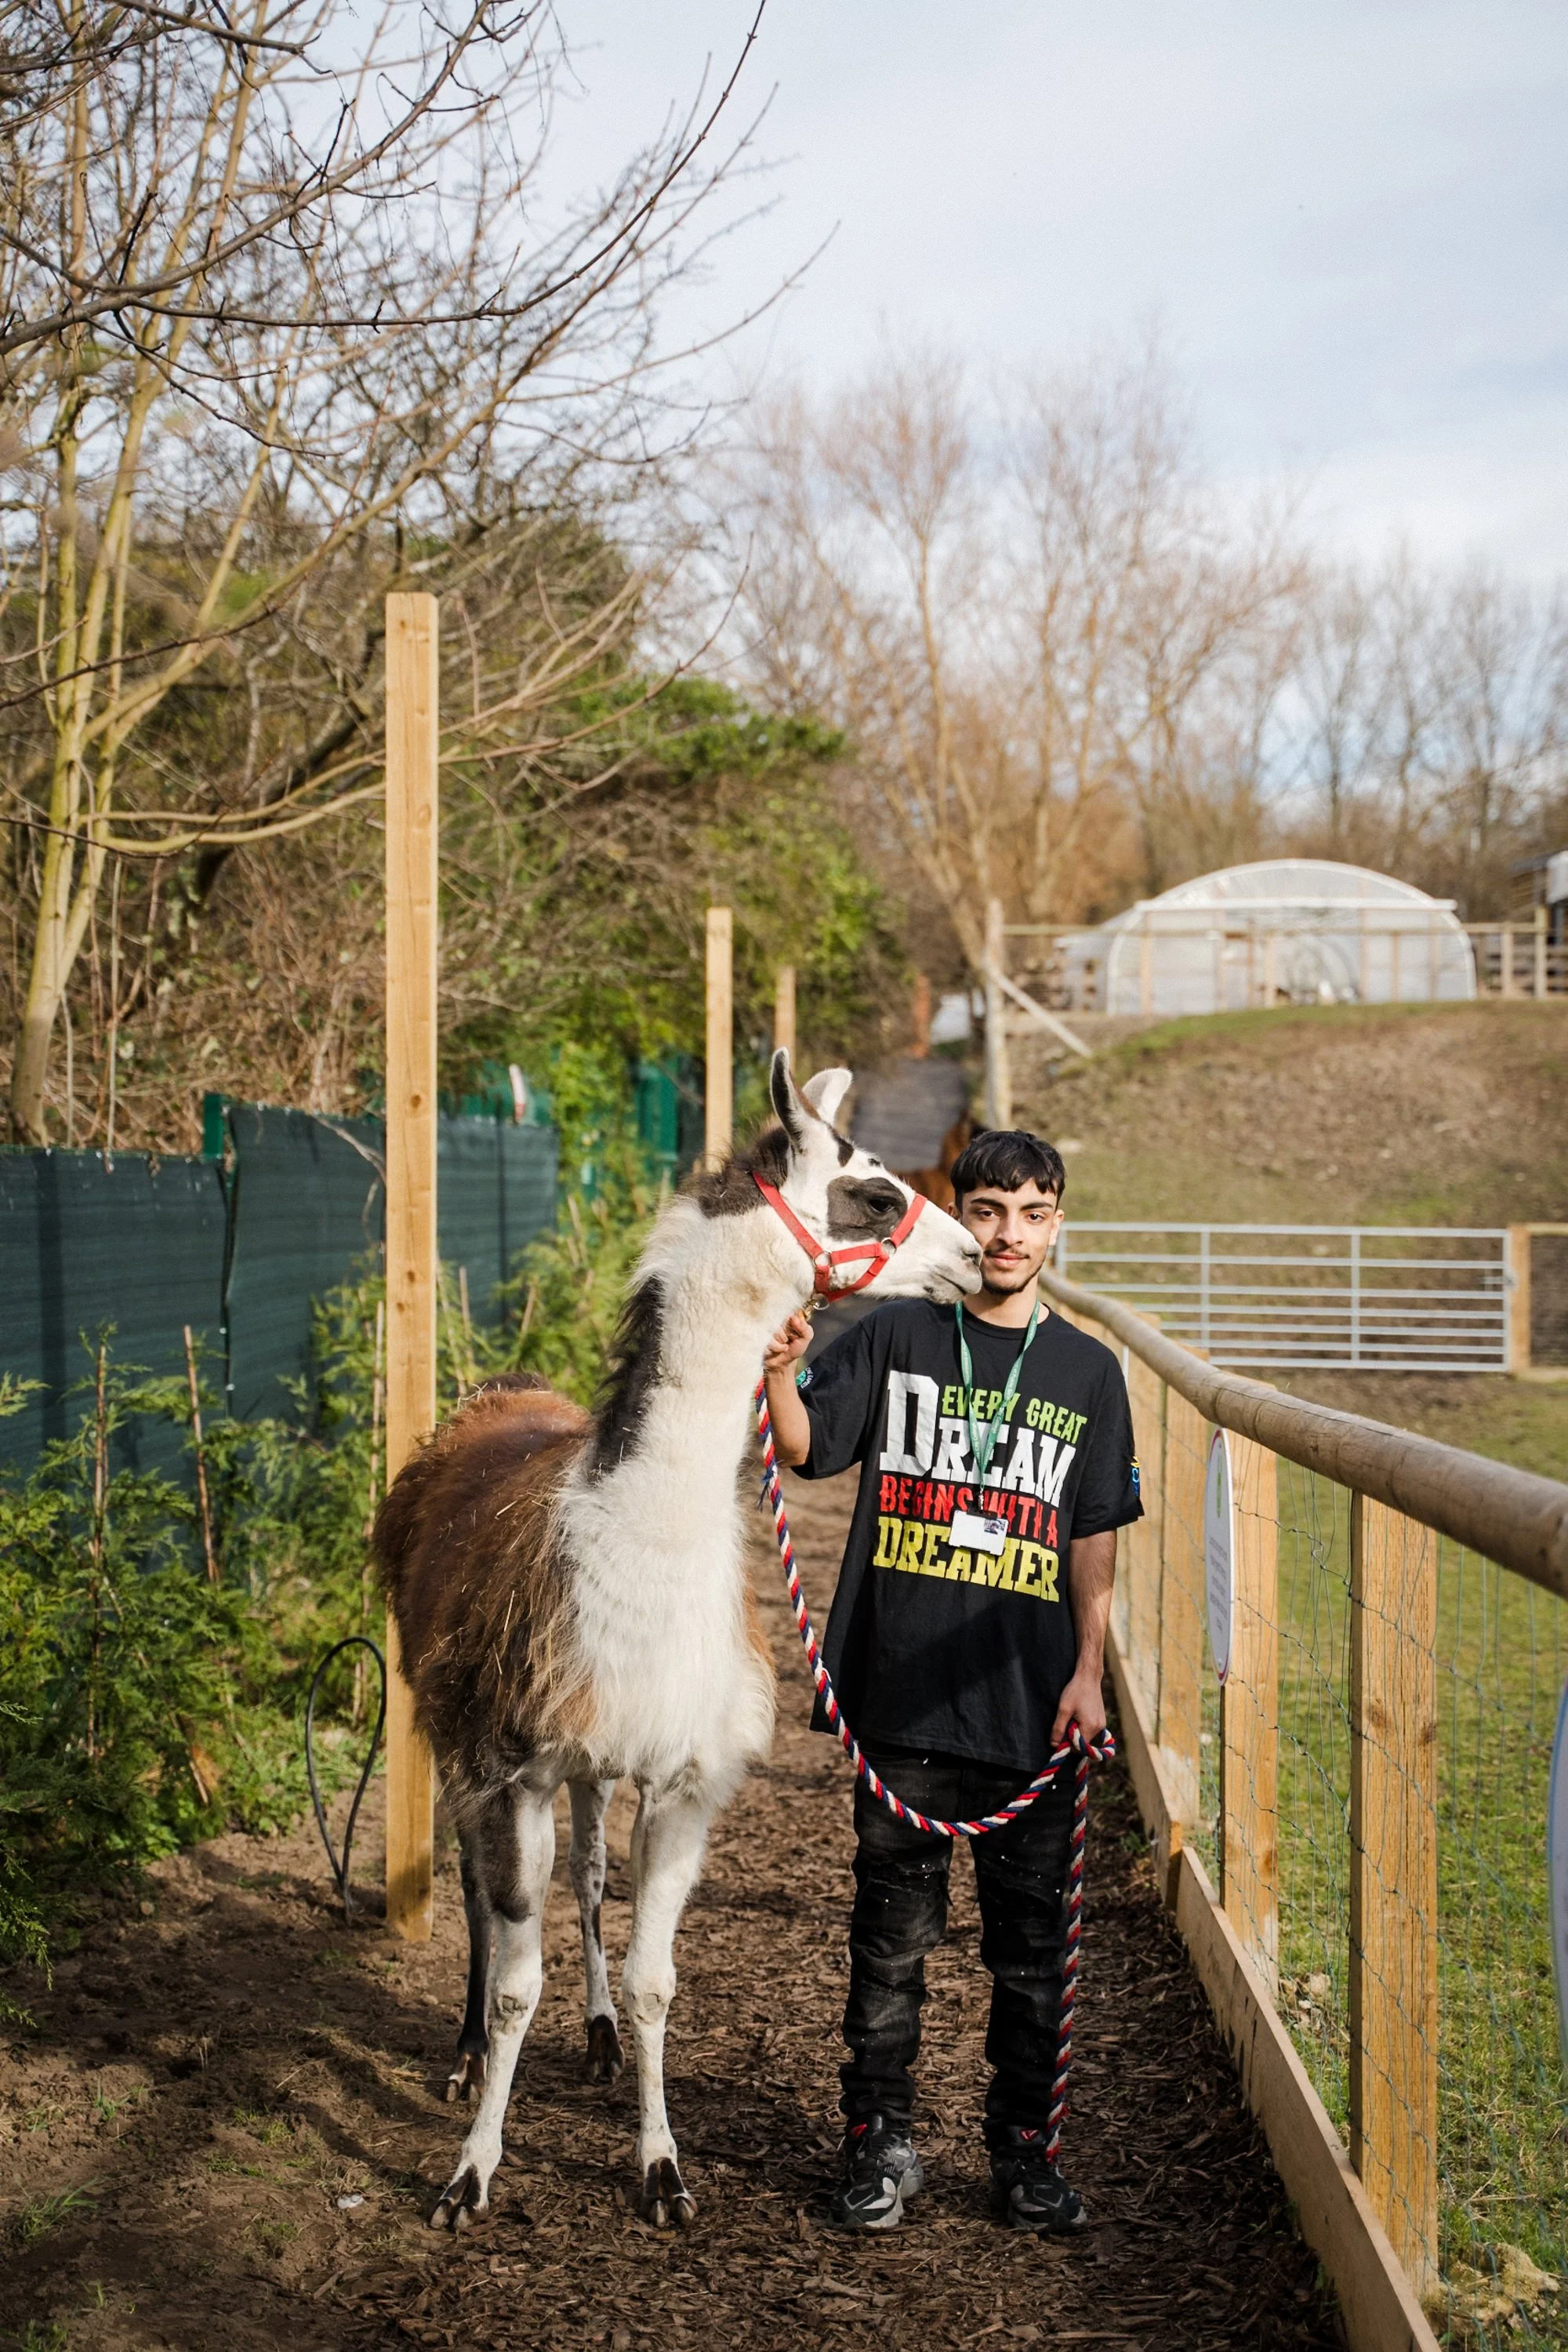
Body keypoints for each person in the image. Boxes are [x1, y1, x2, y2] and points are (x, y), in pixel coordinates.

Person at [762, 1128, 1142, 2235]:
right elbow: (805, 1447)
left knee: (1032, 1959)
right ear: (961, 1216)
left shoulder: (1089, 1374)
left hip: (1031, 1708)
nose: (1008, 1235)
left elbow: (1093, 1533)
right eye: (987, 1211)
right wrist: (781, 1369)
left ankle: (1024, 2154)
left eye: (1031, 1214)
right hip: (903, 1703)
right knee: (890, 1947)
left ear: (1057, 1224)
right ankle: (878, 2140)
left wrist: (1089, 1673)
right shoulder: (898, 1334)